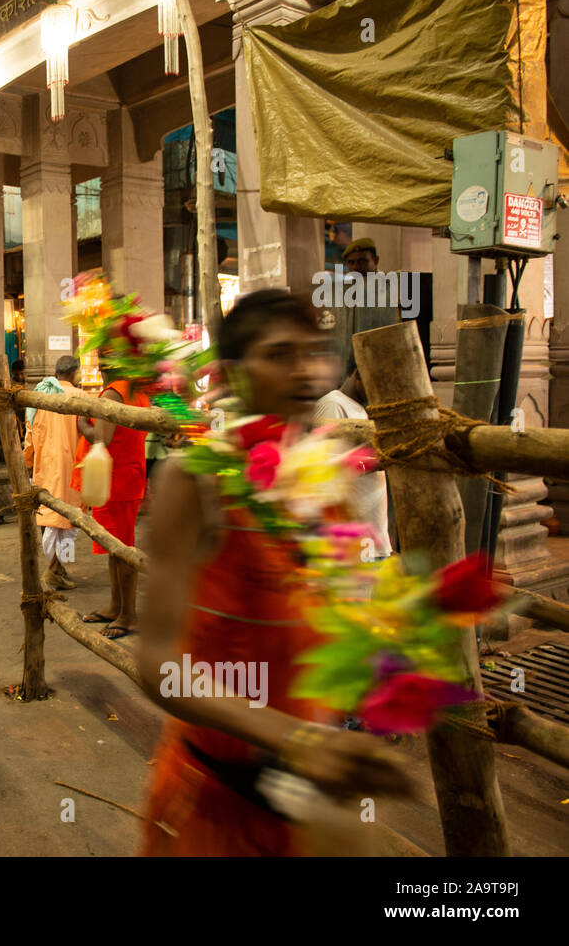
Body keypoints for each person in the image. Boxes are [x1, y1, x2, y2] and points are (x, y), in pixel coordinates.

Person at [136, 289, 411, 856]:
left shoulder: (321, 485)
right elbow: (158, 665)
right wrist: (296, 738)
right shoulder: (195, 481)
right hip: (211, 806)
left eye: (313, 353)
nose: (304, 370)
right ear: (234, 375)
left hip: (304, 811)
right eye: (281, 354)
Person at [76, 352, 150, 639]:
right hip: (128, 475)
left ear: (105, 366)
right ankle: (116, 606)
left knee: (122, 550)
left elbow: (102, 439)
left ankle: (128, 615)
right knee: (115, 546)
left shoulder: (113, 394)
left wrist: (82, 423)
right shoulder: (136, 391)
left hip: (114, 478)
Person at [315, 361, 390, 557]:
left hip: (373, 532)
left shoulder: (359, 409)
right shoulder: (333, 405)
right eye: (376, 382)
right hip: (354, 538)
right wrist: (377, 460)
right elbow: (325, 468)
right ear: (358, 374)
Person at [24, 355, 86, 590]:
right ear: (74, 373)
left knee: (47, 516)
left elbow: (30, 433)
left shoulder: (40, 394)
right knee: (69, 521)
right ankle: (56, 569)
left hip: (44, 464)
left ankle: (58, 567)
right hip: (71, 466)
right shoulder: (80, 397)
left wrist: (28, 459)